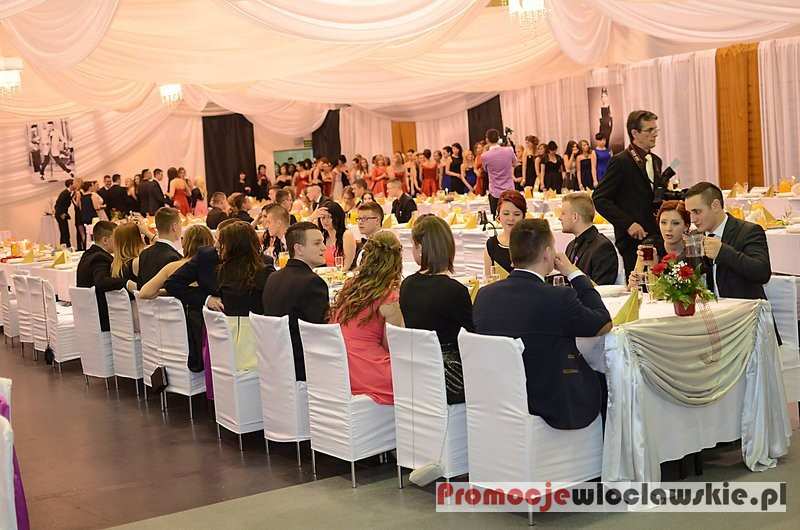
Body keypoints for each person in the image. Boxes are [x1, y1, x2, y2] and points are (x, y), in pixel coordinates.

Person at [473, 219, 612, 429]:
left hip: (498, 398)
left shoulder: (484, 295)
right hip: (550, 404)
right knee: (606, 380)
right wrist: (574, 273)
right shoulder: (557, 298)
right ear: (548, 253)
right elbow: (603, 323)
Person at [400, 215, 473, 404]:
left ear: (420, 248)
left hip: (417, 374)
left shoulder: (407, 285)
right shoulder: (454, 291)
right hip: (451, 379)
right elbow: (473, 338)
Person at [331, 231, 404, 404]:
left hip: (339, 368)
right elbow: (394, 346)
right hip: (368, 372)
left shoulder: (350, 287)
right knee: (417, 377)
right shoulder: (389, 297)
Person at [593, 110, 665, 277]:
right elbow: (600, 198)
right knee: (638, 286)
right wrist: (628, 224)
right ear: (634, 133)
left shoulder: (656, 161)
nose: (655, 134)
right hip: (633, 240)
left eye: (655, 129)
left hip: (656, 235)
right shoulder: (620, 162)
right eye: (649, 130)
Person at [261, 222, 329, 381]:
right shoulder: (313, 282)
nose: (324, 248)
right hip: (303, 366)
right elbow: (320, 332)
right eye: (317, 243)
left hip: (276, 360)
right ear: (298, 249)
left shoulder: (273, 277)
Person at [684, 182, 771, 300]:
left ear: (715, 205)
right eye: (689, 213)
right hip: (710, 309)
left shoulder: (748, 231)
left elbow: (762, 273)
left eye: (697, 212)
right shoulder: (695, 236)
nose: (692, 219)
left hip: (745, 308)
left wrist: (723, 252)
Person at [76, 221, 134, 332]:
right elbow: (101, 281)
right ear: (105, 240)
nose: (119, 241)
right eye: (116, 238)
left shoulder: (87, 254)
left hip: (88, 315)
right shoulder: (100, 257)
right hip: (102, 318)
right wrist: (126, 283)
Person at [627, 200, 690, 291]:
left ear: (686, 226)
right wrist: (633, 281)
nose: (668, 228)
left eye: (675, 223)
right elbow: (632, 289)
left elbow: (683, 293)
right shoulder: (650, 247)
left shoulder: (693, 251)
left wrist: (655, 268)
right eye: (663, 222)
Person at [139, 224, 214, 299]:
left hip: (177, 306)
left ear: (184, 243)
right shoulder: (214, 266)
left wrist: (169, 292)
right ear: (211, 243)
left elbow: (144, 293)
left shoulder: (171, 267)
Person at [561, 193, 618, 285]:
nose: (560, 218)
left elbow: (602, 288)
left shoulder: (602, 248)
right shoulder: (571, 246)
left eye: (563, 213)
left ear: (575, 217)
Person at [136, 207, 183, 289]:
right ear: (174, 227)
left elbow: (140, 287)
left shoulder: (144, 254)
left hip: (145, 296)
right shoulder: (174, 257)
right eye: (180, 223)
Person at [483, 190, 526, 277]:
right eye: (506, 213)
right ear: (498, 216)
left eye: (517, 214)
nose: (511, 218)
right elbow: (489, 280)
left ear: (523, 217)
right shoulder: (491, 245)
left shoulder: (532, 242)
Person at [481, 128, 517, 216]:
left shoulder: (485, 156)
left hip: (495, 191)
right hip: (509, 189)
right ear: (498, 138)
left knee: (496, 218)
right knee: (510, 216)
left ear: (487, 140)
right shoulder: (509, 150)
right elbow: (515, 164)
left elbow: (485, 169)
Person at [317, 201, 356, 270]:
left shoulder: (346, 235)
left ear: (337, 217)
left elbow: (347, 265)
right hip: (325, 273)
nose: (325, 221)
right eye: (323, 217)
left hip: (342, 274)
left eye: (329, 217)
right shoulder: (323, 236)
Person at [353, 201, 384, 267]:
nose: (360, 222)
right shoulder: (364, 244)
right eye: (359, 218)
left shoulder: (384, 245)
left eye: (364, 218)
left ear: (377, 220)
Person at [54, 179, 73, 247]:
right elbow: (58, 204)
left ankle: (65, 247)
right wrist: (61, 213)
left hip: (61, 214)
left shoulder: (68, 192)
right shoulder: (65, 193)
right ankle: (66, 247)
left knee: (64, 232)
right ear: (70, 185)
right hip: (60, 214)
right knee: (64, 232)